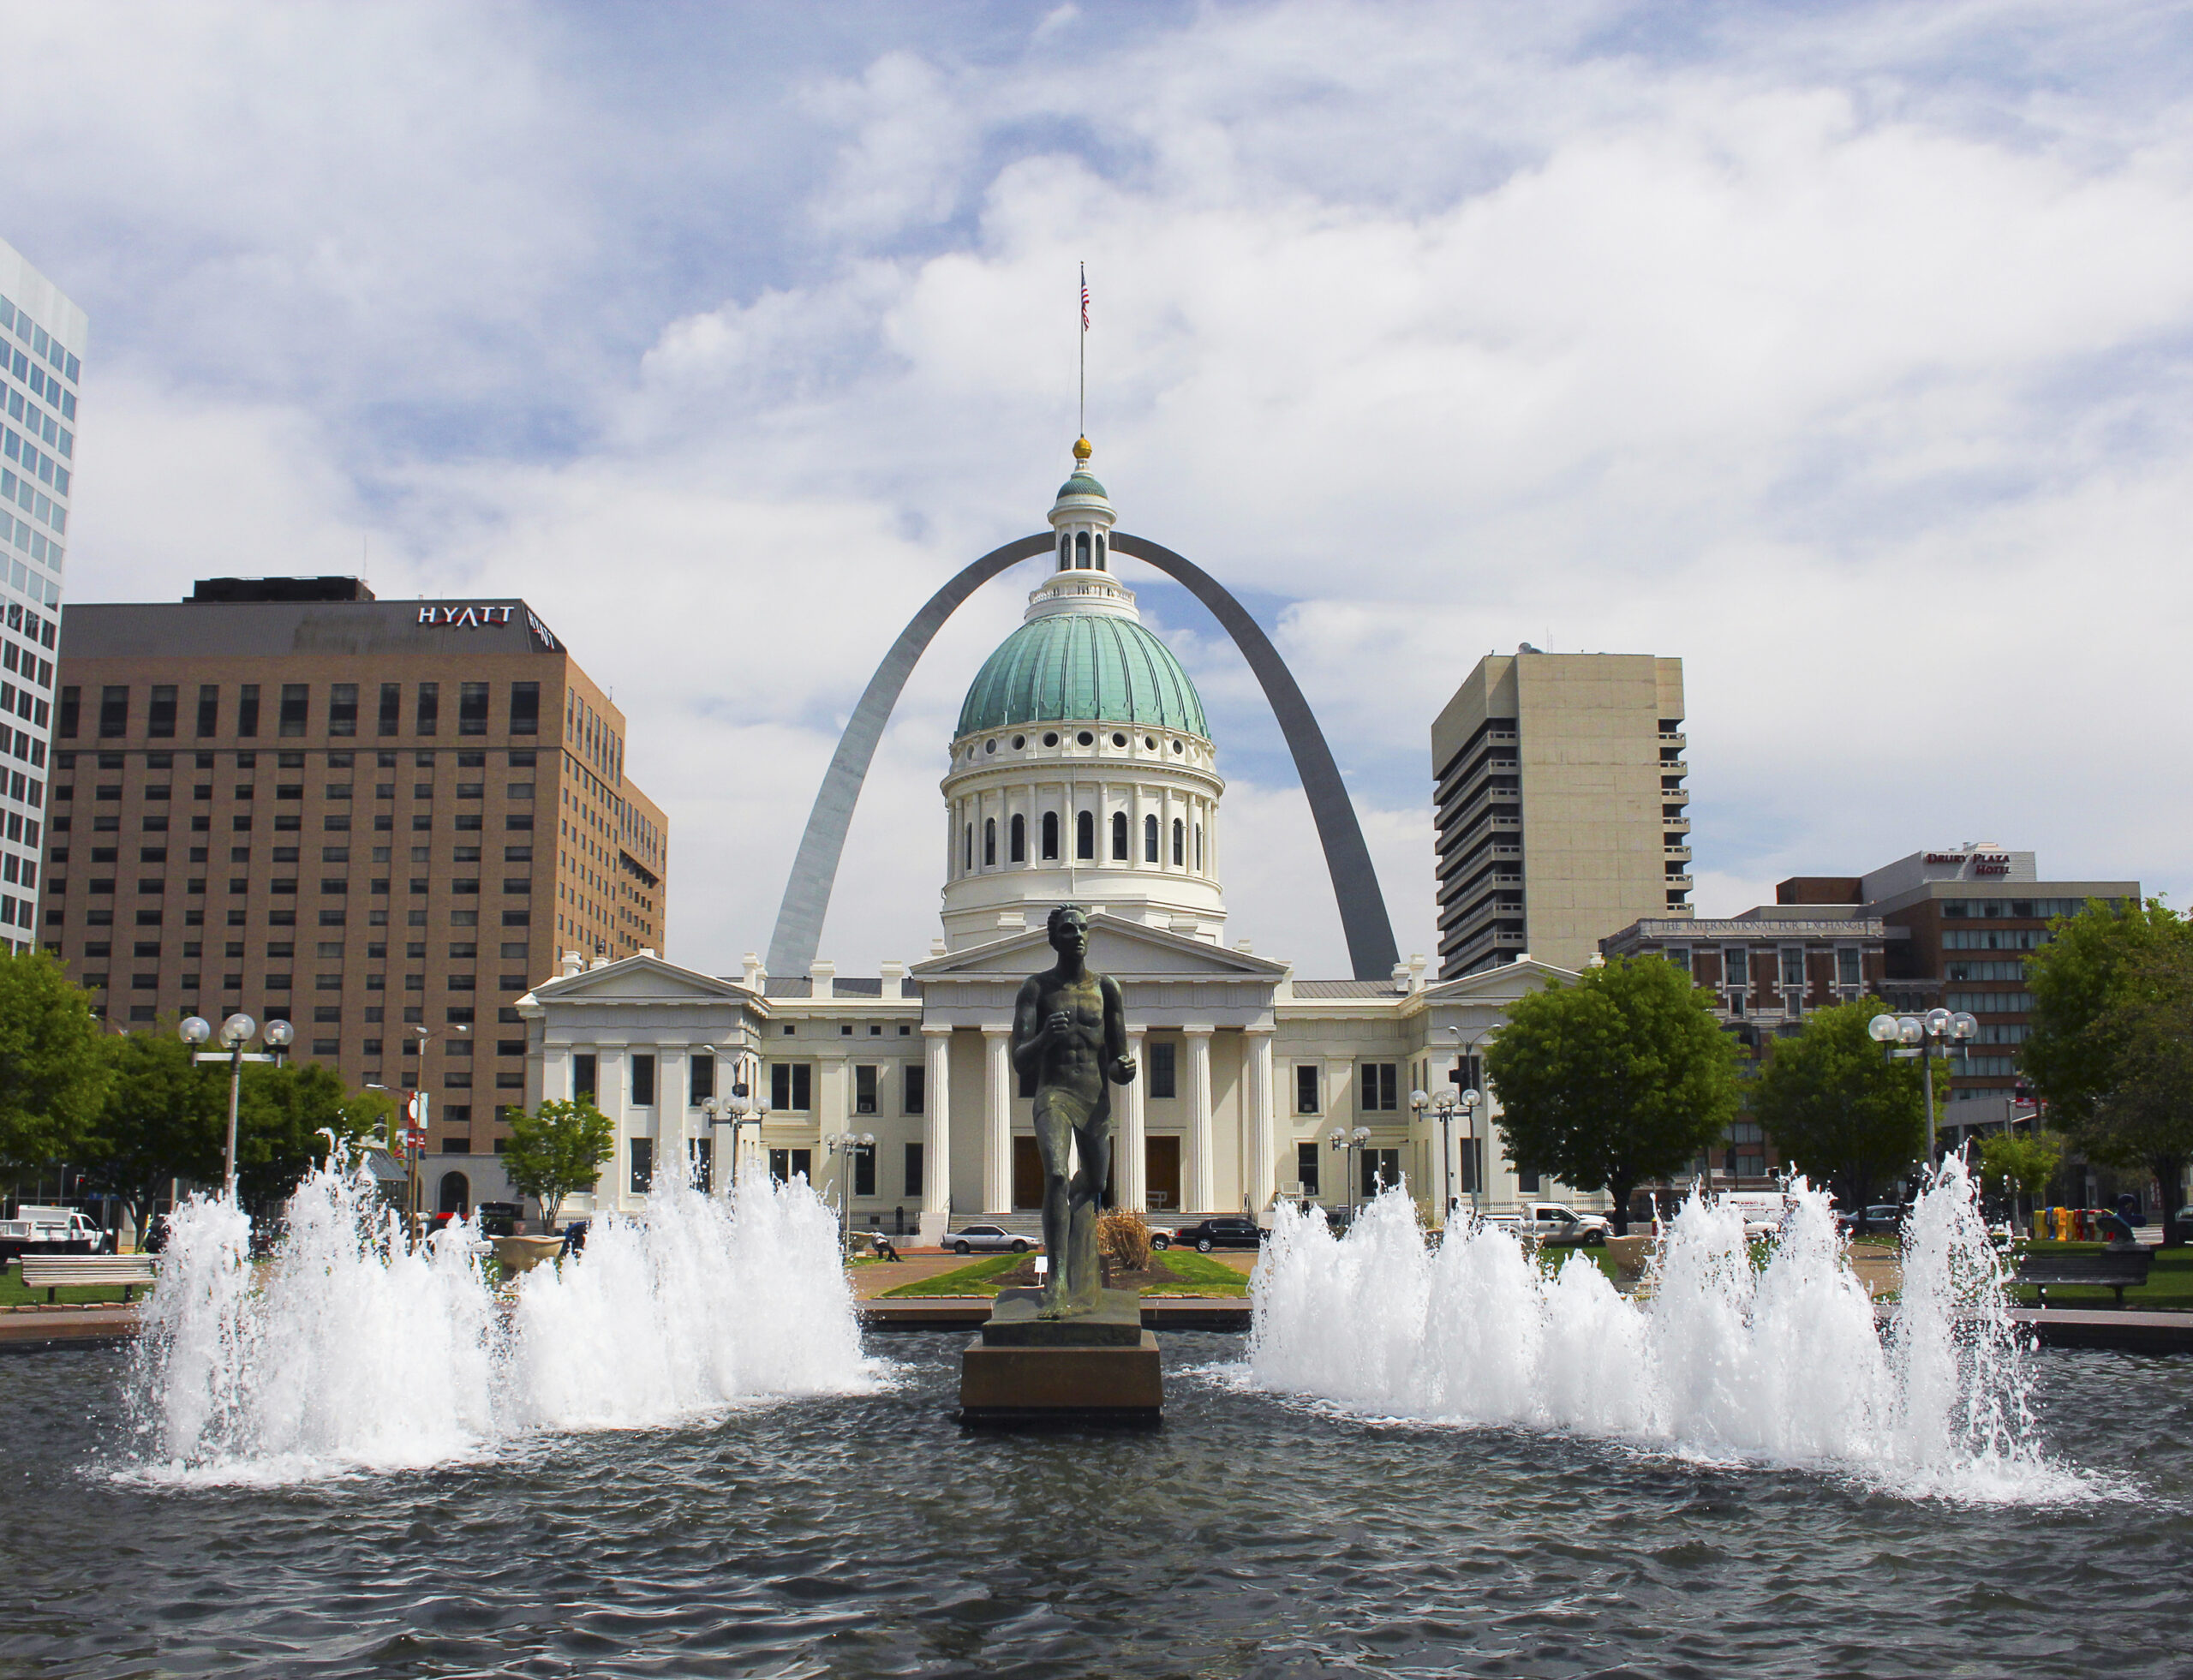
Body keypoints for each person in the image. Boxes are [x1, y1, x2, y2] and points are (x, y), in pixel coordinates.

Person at [1011, 905, 1137, 1319]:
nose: (1079, 935)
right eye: (1069, 929)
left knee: (1093, 1184)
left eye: (1083, 928)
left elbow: (1118, 1061)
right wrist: (1046, 1037)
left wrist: (1126, 1068)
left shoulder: (1108, 990)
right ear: (1054, 938)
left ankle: (1083, 1274)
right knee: (1058, 1175)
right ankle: (1059, 1280)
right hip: (1054, 1094)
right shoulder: (1036, 989)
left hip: (1094, 1099)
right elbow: (1020, 1061)